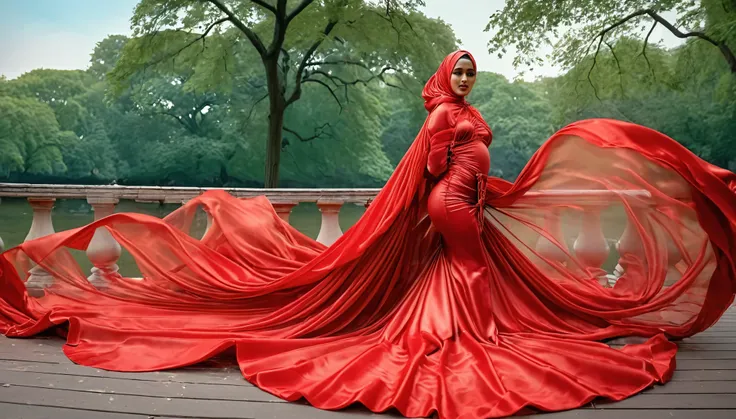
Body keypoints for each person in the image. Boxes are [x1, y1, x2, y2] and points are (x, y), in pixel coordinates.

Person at [1, 50, 735, 419]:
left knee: (464, 273)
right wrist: (457, 199)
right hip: (453, 204)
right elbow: (434, 173)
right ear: (443, 80)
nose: (467, 78)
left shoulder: (458, 115)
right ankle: (477, 341)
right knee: (473, 271)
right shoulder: (443, 119)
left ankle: (471, 332)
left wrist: (484, 192)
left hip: (467, 203)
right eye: (460, 70)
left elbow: (468, 170)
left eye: (473, 71)